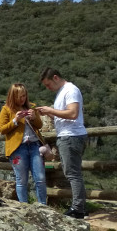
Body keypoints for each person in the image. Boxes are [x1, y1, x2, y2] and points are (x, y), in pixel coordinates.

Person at [37, 67, 87, 218]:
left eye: (48, 84)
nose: (48, 88)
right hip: (68, 136)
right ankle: (80, 207)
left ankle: (78, 208)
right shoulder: (62, 92)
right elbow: (64, 117)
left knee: (72, 173)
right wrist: (49, 113)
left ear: (56, 78)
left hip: (71, 137)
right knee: (72, 172)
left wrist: (50, 111)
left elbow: (73, 113)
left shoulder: (70, 90)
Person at [0, 83, 47, 205]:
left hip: (35, 146)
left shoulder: (31, 107)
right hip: (18, 148)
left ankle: (43, 207)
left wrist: (33, 117)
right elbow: (2, 129)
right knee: (21, 180)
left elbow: (40, 125)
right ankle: (24, 207)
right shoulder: (6, 109)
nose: (22, 99)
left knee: (40, 178)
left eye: (24, 96)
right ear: (12, 96)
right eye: (19, 96)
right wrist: (15, 120)